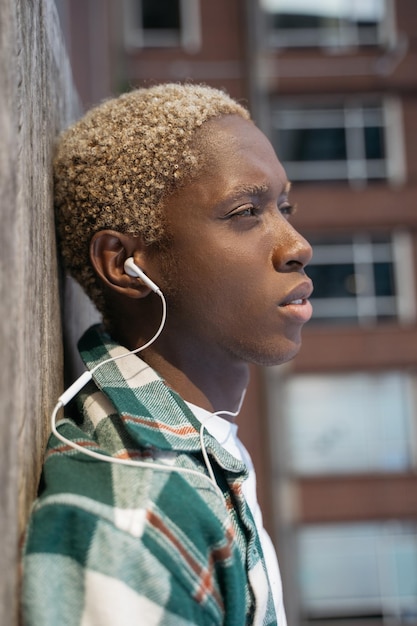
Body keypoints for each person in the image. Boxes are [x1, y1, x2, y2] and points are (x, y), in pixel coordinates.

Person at [21, 83, 313, 625]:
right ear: (124, 263)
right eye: (246, 211)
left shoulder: (201, 453)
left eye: (284, 206)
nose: (297, 245)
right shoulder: (137, 516)